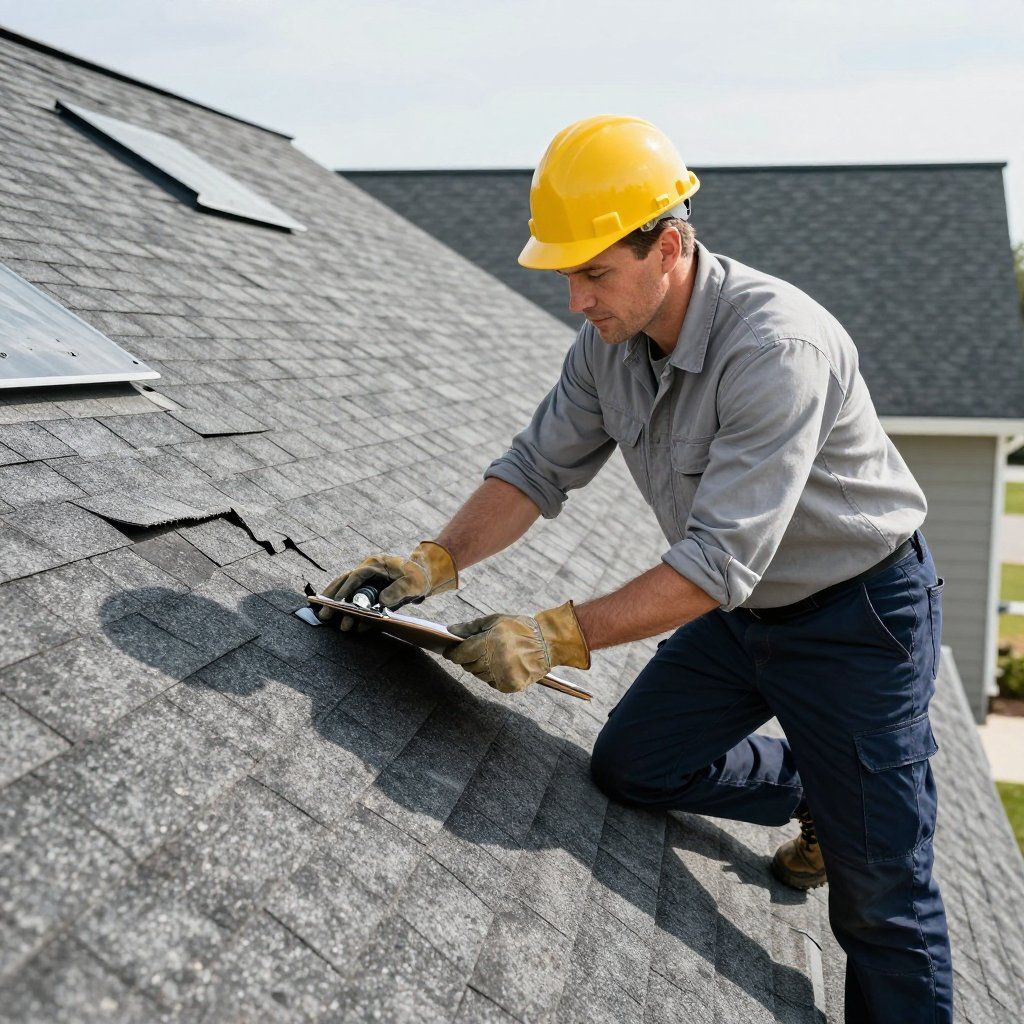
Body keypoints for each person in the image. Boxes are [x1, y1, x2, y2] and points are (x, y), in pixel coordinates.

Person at [316, 115, 952, 1023]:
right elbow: (536, 470)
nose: (576, 300)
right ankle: (817, 785)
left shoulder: (777, 347)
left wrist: (551, 636)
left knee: (883, 897)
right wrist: (435, 561)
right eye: (567, 273)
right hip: (745, 616)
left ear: (671, 245)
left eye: (595, 272)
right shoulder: (608, 344)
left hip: (858, 620)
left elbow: (717, 561)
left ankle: (850, 810)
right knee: (632, 766)